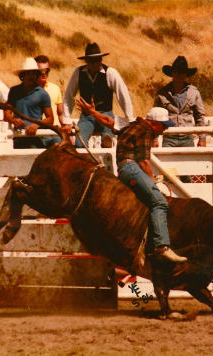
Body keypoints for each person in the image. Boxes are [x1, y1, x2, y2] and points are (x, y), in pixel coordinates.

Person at [76, 98, 187, 263]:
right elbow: (143, 161)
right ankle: (161, 247)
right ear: (155, 123)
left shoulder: (132, 124)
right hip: (132, 168)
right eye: (163, 126)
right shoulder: (147, 130)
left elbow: (108, 121)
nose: (163, 130)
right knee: (159, 202)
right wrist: (154, 181)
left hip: (124, 169)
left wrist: (92, 112)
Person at [63, 42, 134, 148]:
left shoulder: (110, 73)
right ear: (86, 61)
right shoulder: (79, 72)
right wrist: (66, 121)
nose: (94, 63)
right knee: (79, 143)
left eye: (97, 60)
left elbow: (123, 96)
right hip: (87, 117)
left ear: (101, 60)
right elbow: (69, 95)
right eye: (91, 61)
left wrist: (129, 120)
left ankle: (106, 144)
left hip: (105, 115)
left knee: (107, 139)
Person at [154, 56, 206, 148]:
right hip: (169, 137)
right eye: (177, 72)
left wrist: (202, 139)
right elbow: (155, 117)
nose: (179, 74)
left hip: (187, 137)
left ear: (186, 75)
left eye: (182, 72)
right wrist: (154, 139)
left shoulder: (193, 93)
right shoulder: (162, 93)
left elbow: (199, 116)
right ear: (172, 73)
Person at [4, 58, 54, 149]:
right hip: (17, 136)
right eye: (28, 73)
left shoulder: (42, 93)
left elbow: (50, 118)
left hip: (34, 137)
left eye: (34, 73)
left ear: (37, 75)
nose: (31, 76)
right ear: (23, 75)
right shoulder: (14, 91)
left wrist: (37, 124)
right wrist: (12, 120)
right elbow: (6, 113)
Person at [34, 55, 72, 146]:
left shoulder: (55, 88)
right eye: (41, 70)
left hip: (55, 132)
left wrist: (68, 133)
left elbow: (60, 113)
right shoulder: (29, 89)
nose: (44, 73)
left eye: (47, 70)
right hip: (37, 133)